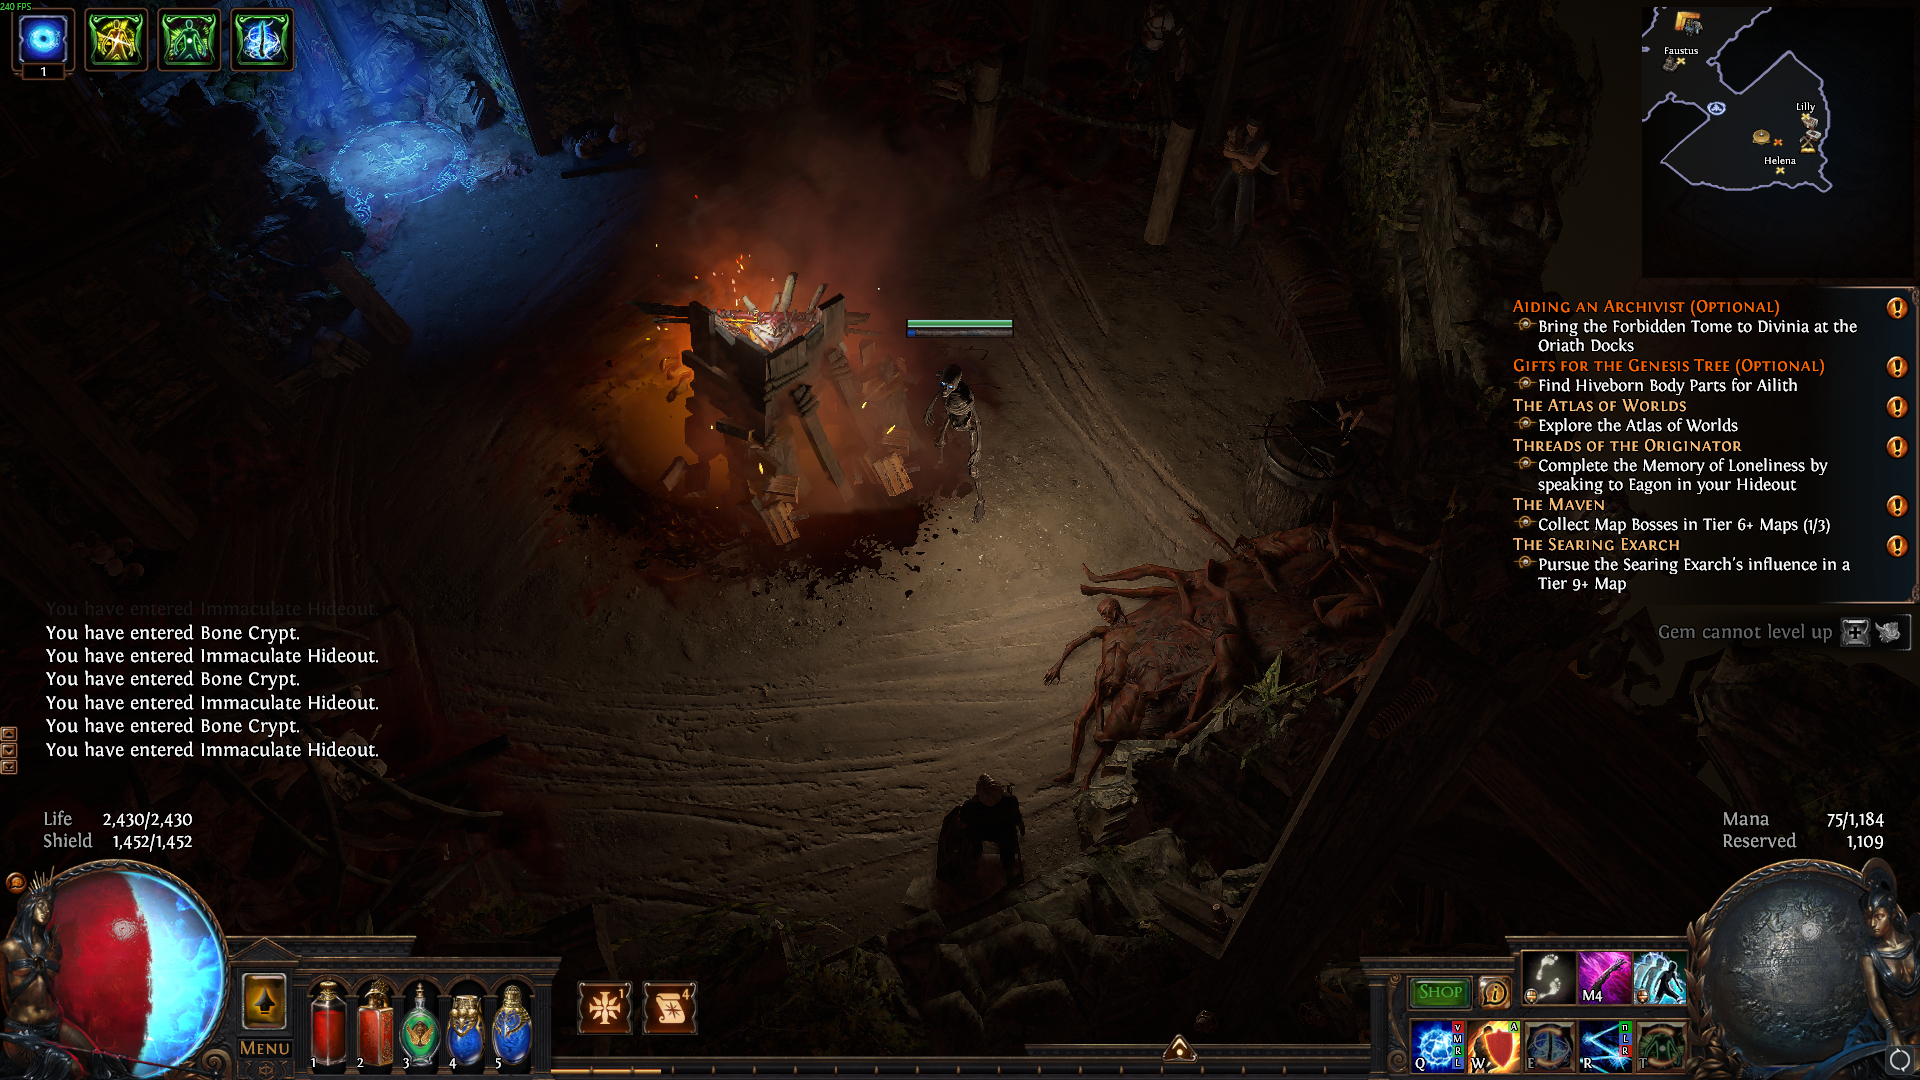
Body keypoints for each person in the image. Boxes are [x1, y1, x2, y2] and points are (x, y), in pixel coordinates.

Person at [923, 364, 985, 522]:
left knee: (973, 469)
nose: (945, 389)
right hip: (951, 414)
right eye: (943, 384)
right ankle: (941, 460)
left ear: (957, 384)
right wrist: (929, 409)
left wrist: (977, 450)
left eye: (950, 386)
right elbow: (940, 393)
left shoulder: (965, 397)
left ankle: (980, 501)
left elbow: (977, 421)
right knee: (941, 438)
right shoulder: (946, 390)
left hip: (962, 419)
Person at [937, 775, 1026, 885]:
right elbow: (1017, 817)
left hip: (978, 833)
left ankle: (973, 866)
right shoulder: (1010, 800)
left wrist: (957, 822)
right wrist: (1021, 826)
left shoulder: (970, 805)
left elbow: (961, 824)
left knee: (975, 848)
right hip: (1004, 833)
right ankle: (1009, 876)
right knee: (1007, 853)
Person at [1208, 116, 1270, 251]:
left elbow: (1252, 165)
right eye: (1249, 127)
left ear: (1260, 129)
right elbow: (1226, 153)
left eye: (1253, 129)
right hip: (1231, 170)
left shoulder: (1264, 144)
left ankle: (1236, 237)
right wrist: (1244, 156)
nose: (1250, 130)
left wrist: (1235, 152)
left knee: (1242, 208)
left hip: (1247, 176)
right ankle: (1219, 223)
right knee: (1220, 196)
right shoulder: (1238, 131)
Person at [1126, 1, 1186, 92]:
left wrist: (1182, 66)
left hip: (1151, 53)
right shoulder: (1151, 4)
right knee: (1129, 67)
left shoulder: (1173, 18)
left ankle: (1135, 91)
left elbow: (1183, 42)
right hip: (1140, 43)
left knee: (1139, 79)